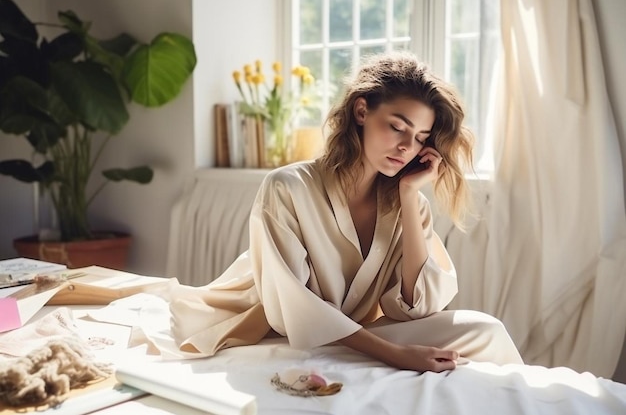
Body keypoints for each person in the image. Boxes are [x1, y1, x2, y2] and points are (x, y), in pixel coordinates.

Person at [169, 51, 523, 373]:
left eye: (419, 137)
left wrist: (410, 194)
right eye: (397, 127)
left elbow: (414, 307)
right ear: (362, 111)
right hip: (279, 331)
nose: (406, 146)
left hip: (354, 333)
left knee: (486, 332)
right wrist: (393, 354)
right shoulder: (287, 188)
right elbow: (293, 310)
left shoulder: (409, 202)